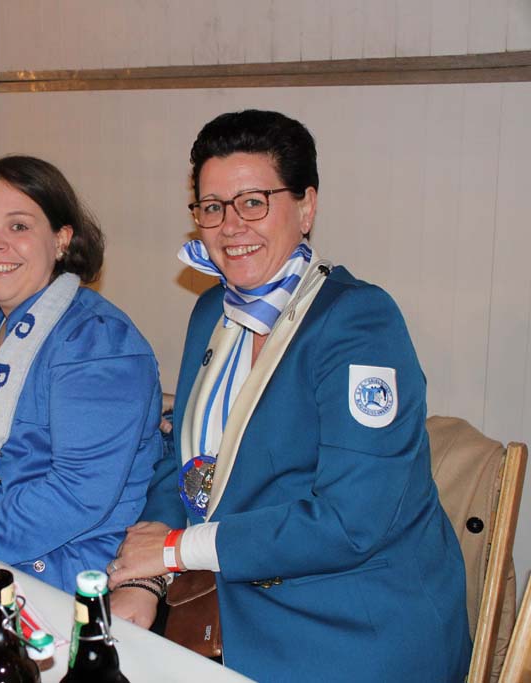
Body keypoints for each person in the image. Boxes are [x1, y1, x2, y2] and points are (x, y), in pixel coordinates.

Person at [107, 110, 471, 681]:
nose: (231, 226)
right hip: (237, 600)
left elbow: (350, 523)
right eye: (212, 207)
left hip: (352, 622)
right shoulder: (212, 310)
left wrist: (175, 551)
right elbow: (186, 461)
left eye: (254, 202)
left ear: (306, 208)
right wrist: (145, 576)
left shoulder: (359, 323)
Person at [0, 156, 162, 594]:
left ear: (61, 239)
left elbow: (76, 495)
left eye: (18, 226)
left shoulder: (96, 342)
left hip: (55, 576)